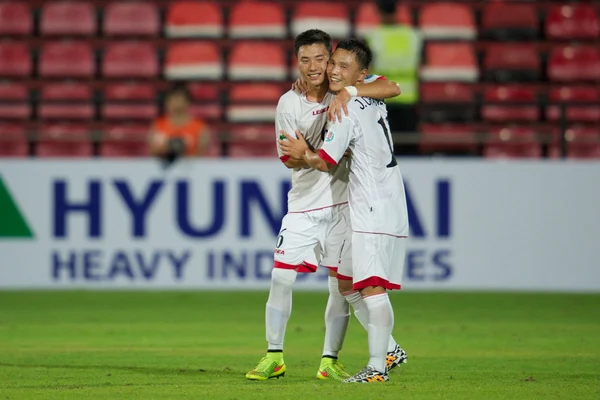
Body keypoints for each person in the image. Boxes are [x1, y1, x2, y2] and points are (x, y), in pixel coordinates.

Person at [246, 29, 406, 382]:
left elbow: (393, 87)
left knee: (344, 286)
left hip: (345, 204)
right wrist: (309, 153)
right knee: (281, 276)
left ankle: (331, 359)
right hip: (304, 203)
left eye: (323, 58)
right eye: (307, 60)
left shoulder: (347, 90)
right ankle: (274, 355)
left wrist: (348, 91)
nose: (318, 67)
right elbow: (288, 158)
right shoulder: (289, 103)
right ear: (297, 62)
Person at [149, 87, 210, 163]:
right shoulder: (158, 125)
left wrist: (184, 153)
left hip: (190, 170)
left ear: (187, 102)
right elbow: (152, 151)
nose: (174, 102)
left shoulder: (199, 127)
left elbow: (201, 152)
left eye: (178, 99)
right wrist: (167, 149)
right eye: (171, 99)